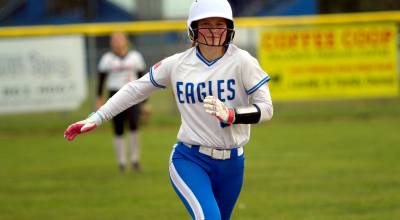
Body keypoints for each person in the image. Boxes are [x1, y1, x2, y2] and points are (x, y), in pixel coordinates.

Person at [64, 0, 273, 219]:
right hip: (191, 159)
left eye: (220, 24)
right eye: (206, 23)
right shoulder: (177, 64)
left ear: (230, 27)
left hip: (233, 163)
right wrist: (97, 117)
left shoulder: (243, 62)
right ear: (193, 28)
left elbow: (266, 108)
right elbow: (135, 89)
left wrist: (232, 115)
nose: (213, 30)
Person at [96, 32, 148, 172]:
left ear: (126, 41)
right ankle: (122, 162)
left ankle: (135, 160)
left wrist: (145, 102)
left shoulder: (135, 57)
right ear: (111, 43)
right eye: (114, 39)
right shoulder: (107, 59)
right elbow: (101, 79)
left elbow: (143, 79)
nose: (117, 42)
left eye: (120, 39)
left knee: (134, 126)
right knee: (118, 128)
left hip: (133, 95)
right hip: (114, 95)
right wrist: (99, 98)